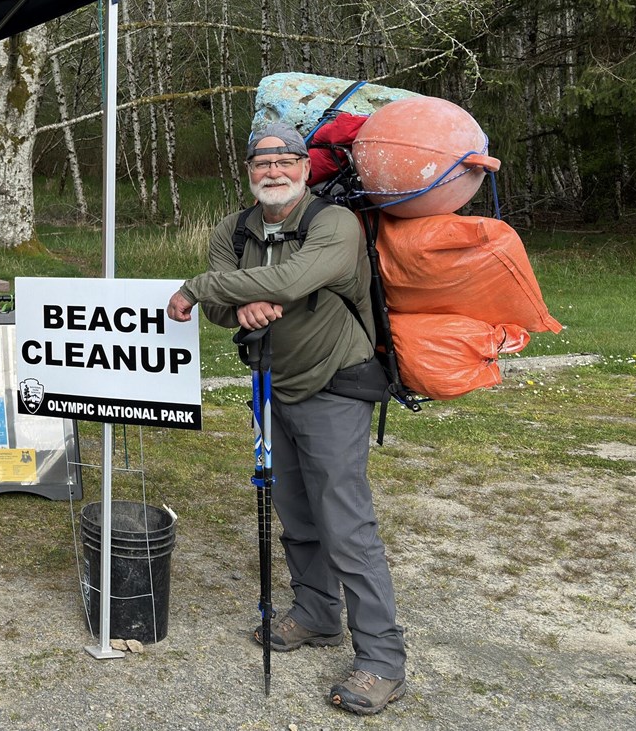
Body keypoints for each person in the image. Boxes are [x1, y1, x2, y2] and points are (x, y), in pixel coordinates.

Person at [167, 123, 407, 715]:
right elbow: (227, 309)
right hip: (271, 386)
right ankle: (318, 614)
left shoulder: (334, 223)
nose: (272, 171)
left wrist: (200, 287)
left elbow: (294, 279)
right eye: (260, 163)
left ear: (306, 166)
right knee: (296, 512)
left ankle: (381, 659)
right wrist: (234, 299)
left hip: (335, 385)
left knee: (345, 523)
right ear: (248, 171)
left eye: (284, 161)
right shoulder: (235, 228)